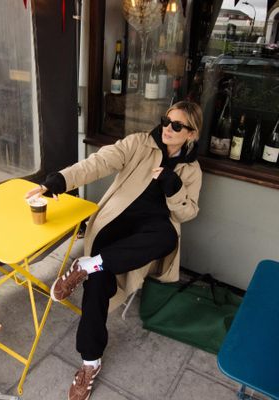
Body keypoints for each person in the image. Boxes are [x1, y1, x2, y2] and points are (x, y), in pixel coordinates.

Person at [26, 101, 203, 400]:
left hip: (147, 238)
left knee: (167, 236)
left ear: (191, 134)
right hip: (117, 226)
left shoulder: (191, 170)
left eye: (176, 126)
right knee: (98, 285)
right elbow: (98, 163)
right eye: (166, 121)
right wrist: (57, 182)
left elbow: (187, 213)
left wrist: (173, 188)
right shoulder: (139, 144)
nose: (167, 128)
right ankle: (90, 361)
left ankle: (89, 264)